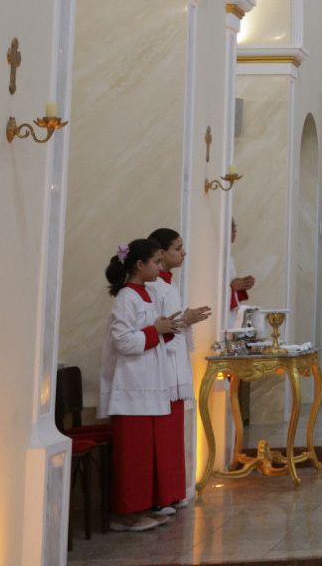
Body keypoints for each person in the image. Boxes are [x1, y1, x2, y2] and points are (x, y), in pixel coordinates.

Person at [99, 239, 180, 532]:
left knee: (144, 454)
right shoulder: (126, 297)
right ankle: (125, 514)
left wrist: (167, 328)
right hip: (131, 382)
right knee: (132, 455)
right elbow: (123, 340)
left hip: (149, 379)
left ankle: (142, 508)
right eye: (156, 262)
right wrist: (154, 330)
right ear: (139, 265)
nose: (160, 268)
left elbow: (151, 333)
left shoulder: (145, 294)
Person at [145, 228, 211, 513]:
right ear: (161, 253)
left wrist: (186, 318)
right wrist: (185, 319)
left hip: (173, 361)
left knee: (173, 434)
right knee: (162, 437)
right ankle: (163, 496)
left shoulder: (168, 285)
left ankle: (173, 492)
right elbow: (157, 324)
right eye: (178, 248)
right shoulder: (152, 286)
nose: (183, 253)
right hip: (161, 365)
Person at [228, 219, 255, 331]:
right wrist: (232, 287)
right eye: (231, 226)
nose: (234, 230)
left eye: (235, 226)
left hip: (230, 314)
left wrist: (242, 283)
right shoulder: (213, 255)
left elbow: (230, 284)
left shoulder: (229, 258)